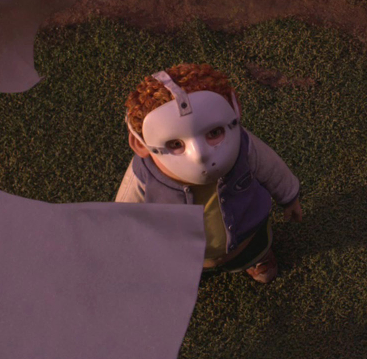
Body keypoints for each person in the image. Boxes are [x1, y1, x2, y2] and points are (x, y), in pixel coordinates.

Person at [114, 63, 302, 283]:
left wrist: (289, 197)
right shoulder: (144, 172)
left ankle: (258, 259)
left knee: (255, 250)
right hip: (185, 253)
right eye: (175, 144)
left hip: (247, 238)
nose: (200, 155)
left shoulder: (243, 146)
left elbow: (271, 168)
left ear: (235, 110)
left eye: (214, 133)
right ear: (141, 145)